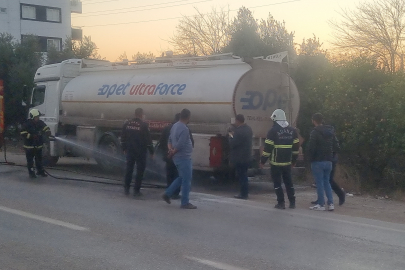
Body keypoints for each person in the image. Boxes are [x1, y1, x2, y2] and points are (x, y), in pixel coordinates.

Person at [260, 109, 299, 209]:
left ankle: (281, 203)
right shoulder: (292, 130)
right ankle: (292, 202)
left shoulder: (272, 131)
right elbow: (296, 148)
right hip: (287, 162)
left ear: (275, 119)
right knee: (289, 182)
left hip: (276, 162)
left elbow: (268, 148)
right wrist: (294, 161)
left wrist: (262, 161)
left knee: (277, 183)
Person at [162, 109, 196, 209]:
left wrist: (170, 150)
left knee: (181, 177)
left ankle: (167, 193)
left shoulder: (174, 126)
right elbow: (180, 144)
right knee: (186, 180)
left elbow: (170, 140)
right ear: (188, 117)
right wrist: (173, 151)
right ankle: (185, 202)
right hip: (184, 157)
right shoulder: (185, 129)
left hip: (177, 157)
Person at [307, 113, 340, 211]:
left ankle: (321, 204)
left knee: (319, 183)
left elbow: (311, 147)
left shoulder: (315, 132)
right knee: (327, 182)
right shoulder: (330, 131)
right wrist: (332, 155)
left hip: (318, 161)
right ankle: (331, 204)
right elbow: (337, 146)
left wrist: (310, 158)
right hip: (329, 161)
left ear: (314, 121)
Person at [121, 108, 154, 197]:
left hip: (130, 150)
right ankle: (136, 190)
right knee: (140, 171)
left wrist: (124, 148)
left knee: (129, 169)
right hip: (140, 151)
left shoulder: (127, 124)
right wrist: (152, 151)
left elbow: (123, 137)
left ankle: (126, 189)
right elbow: (148, 140)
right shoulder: (144, 125)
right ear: (141, 114)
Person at [20, 109, 51, 178]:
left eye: (38, 117)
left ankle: (40, 171)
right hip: (29, 146)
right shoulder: (26, 124)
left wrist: (48, 131)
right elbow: (23, 133)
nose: (38, 118)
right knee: (30, 161)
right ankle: (31, 173)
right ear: (32, 117)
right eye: (36, 117)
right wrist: (31, 136)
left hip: (38, 146)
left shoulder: (40, 123)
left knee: (39, 160)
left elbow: (45, 127)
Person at [229, 114, 253, 200]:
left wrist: (231, 136)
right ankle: (245, 193)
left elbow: (233, 143)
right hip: (247, 156)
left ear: (238, 121)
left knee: (241, 176)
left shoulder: (239, 131)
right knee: (244, 175)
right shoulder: (248, 129)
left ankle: (243, 194)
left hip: (239, 157)